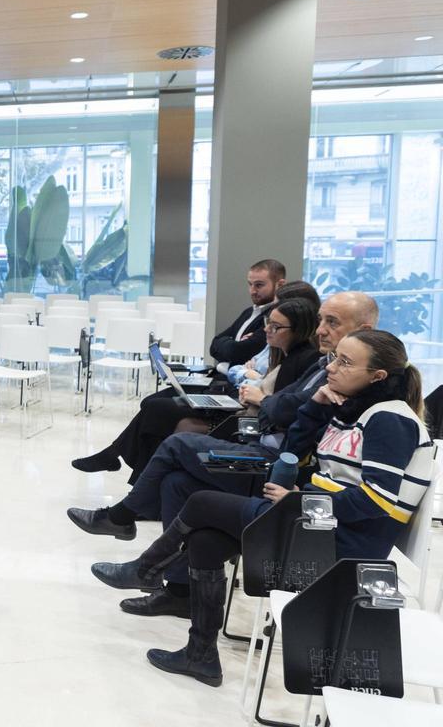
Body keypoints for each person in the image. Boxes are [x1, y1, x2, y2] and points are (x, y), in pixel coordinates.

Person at [88, 330, 436, 687]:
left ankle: (145, 570)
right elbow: (296, 456)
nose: (331, 367)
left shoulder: (389, 420)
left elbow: (377, 499)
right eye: (335, 358)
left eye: (345, 362)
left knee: (201, 502)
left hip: (340, 544)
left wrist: (299, 500)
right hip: (314, 526)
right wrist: (315, 405)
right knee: (205, 541)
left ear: (378, 377)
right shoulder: (351, 408)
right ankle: (201, 655)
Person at [67, 291, 379, 618]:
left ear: (364, 328)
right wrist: (275, 402)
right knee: (175, 480)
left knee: (178, 442)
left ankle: (122, 517)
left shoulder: (355, 381)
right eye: (320, 321)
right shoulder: (323, 364)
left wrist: (275, 402)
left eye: (332, 322)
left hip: (279, 472)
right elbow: (271, 394)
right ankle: (179, 592)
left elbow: (283, 410)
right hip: (266, 449)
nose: (321, 330)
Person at [72, 279, 318, 477]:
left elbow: (239, 357)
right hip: (235, 388)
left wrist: (245, 374)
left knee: (159, 409)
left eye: (275, 320)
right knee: (155, 403)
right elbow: (220, 346)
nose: (268, 324)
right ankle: (124, 463)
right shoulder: (261, 325)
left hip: (241, 405)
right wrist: (243, 370)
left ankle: (127, 466)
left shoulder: (296, 355)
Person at [210, 258, 285, 371]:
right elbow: (214, 345)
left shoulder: (275, 318)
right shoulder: (248, 312)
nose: (252, 291)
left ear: (280, 284)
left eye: (259, 285)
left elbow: (239, 352)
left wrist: (231, 345)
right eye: (250, 284)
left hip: (243, 384)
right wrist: (232, 345)